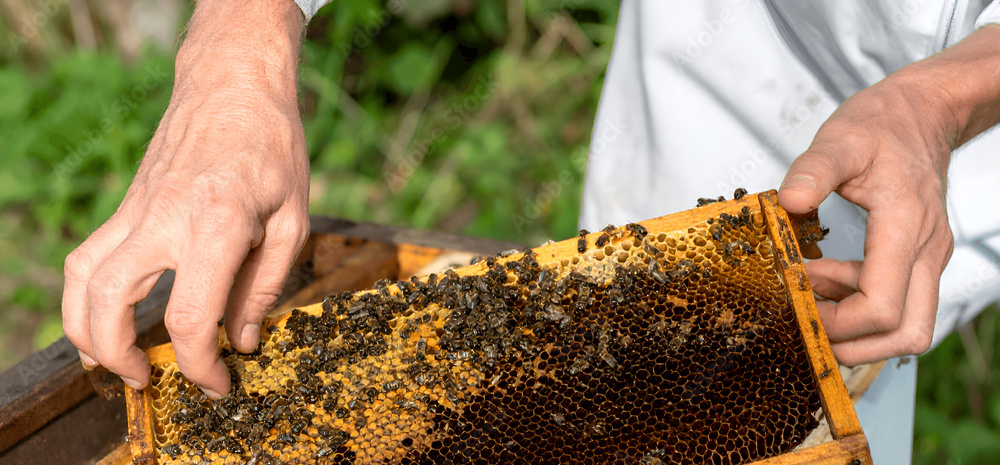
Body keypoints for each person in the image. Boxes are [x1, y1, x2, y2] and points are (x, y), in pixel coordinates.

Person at [61, 0, 1000, 400]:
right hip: (727, 53)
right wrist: (238, 47)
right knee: (629, 361)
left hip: (975, 107)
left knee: (853, 374)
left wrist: (940, 100)